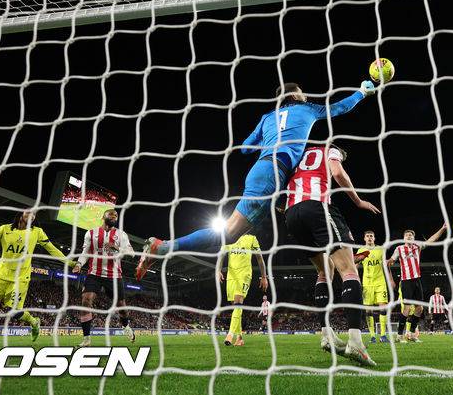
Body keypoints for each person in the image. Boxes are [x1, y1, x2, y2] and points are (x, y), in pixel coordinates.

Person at [136, 81, 376, 280]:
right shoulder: (307, 109)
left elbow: (245, 148)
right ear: (295, 95)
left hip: (262, 170)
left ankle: (334, 253)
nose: (305, 95)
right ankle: (163, 247)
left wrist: (272, 138)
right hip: (273, 172)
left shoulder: (267, 117)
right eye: (302, 92)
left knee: (261, 221)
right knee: (229, 232)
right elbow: (339, 108)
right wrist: (362, 92)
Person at [284, 144, 379, 366]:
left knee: (325, 270)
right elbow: (337, 172)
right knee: (349, 271)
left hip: (291, 214)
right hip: (317, 205)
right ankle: (355, 341)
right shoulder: (329, 149)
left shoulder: (298, 154)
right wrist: (358, 201)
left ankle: (327, 335)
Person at [0, 210, 74, 348]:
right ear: (21, 215)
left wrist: (71, 263)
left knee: (13, 312)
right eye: (29, 213)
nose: (32, 216)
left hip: (21, 277)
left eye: (34, 215)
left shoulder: (37, 232)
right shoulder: (4, 229)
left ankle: (34, 322)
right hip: (0, 275)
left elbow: (52, 249)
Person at [73, 209, 136, 348]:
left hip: (114, 276)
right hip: (94, 274)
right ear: (103, 216)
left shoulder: (121, 235)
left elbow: (132, 253)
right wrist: (79, 264)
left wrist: (117, 248)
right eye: (111, 214)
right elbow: (85, 252)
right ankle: (86, 339)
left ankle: (126, 326)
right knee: (85, 300)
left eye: (116, 215)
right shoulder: (91, 233)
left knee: (122, 307)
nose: (114, 216)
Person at [388, 225, 447, 342]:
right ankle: (399, 336)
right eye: (407, 235)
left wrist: (442, 229)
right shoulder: (399, 249)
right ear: (404, 238)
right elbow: (391, 261)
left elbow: (431, 240)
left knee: (419, 309)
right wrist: (389, 265)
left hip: (417, 281)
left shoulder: (417, 246)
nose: (409, 237)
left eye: (411, 235)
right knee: (406, 309)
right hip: (406, 282)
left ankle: (411, 334)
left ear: (414, 238)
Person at [216, 234, 268, 346]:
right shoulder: (228, 237)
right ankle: (239, 338)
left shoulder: (252, 238)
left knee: (238, 304)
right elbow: (221, 255)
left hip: (244, 275)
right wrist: (218, 270)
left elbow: (259, 258)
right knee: (235, 307)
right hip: (231, 276)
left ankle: (230, 334)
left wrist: (264, 277)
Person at [357, 231, 393, 343]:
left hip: (380, 282)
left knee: (383, 308)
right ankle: (372, 336)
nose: (369, 238)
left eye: (371, 236)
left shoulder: (380, 249)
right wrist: (355, 279)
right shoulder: (360, 250)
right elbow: (355, 266)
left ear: (374, 238)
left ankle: (383, 335)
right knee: (368, 311)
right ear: (364, 238)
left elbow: (385, 265)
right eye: (367, 236)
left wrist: (391, 279)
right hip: (367, 284)